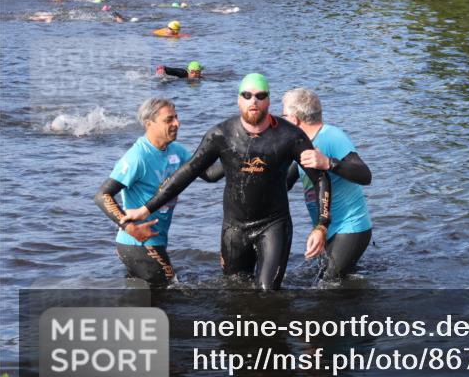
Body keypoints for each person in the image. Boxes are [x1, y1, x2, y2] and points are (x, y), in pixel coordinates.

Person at [122, 74, 331, 291]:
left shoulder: (290, 136)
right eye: (247, 95)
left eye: (260, 96)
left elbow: (320, 179)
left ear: (269, 100)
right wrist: (146, 210)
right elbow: (187, 173)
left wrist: (321, 226)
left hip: (274, 223)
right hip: (234, 228)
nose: (254, 101)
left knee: (267, 290)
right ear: (238, 99)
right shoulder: (221, 134)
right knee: (234, 289)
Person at [93, 98, 222, 286]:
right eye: (169, 120)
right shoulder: (138, 157)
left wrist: (236, 157)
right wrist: (131, 229)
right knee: (170, 291)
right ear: (149, 124)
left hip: (154, 241)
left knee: (145, 297)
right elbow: (102, 196)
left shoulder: (176, 151)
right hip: (136, 244)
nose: (177, 124)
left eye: (176, 118)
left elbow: (209, 174)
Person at [282, 88, 373, 279]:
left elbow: (365, 175)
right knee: (337, 282)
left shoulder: (331, 136)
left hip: (350, 227)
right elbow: (285, 181)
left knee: (328, 285)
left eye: (283, 116)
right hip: (327, 229)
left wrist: (327, 163)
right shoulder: (303, 144)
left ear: (294, 119)